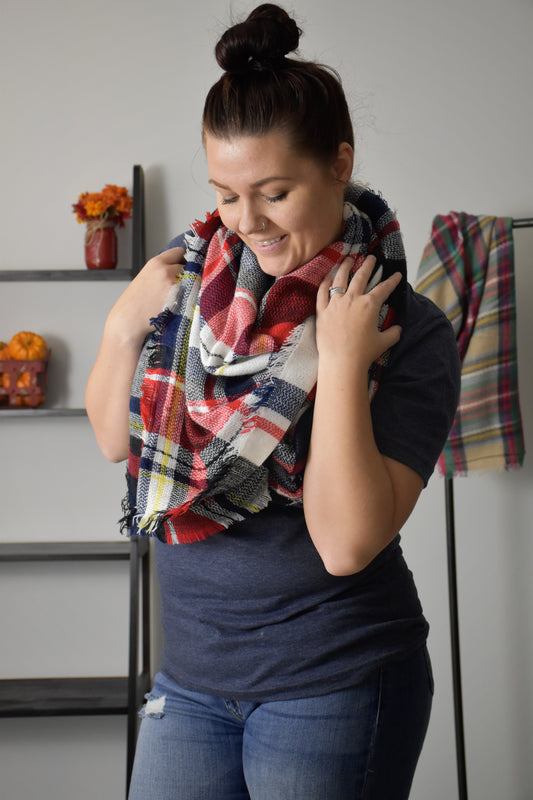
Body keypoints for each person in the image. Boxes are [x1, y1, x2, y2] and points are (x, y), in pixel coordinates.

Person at [86, 4, 460, 798]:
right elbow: (121, 446)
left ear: (338, 163)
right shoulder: (194, 295)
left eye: (274, 192)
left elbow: (344, 544)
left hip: (337, 682)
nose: (245, 222)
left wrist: (341, 360)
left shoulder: (405, 328)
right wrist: (123, 326)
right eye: (225, 194)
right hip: (190, 681)